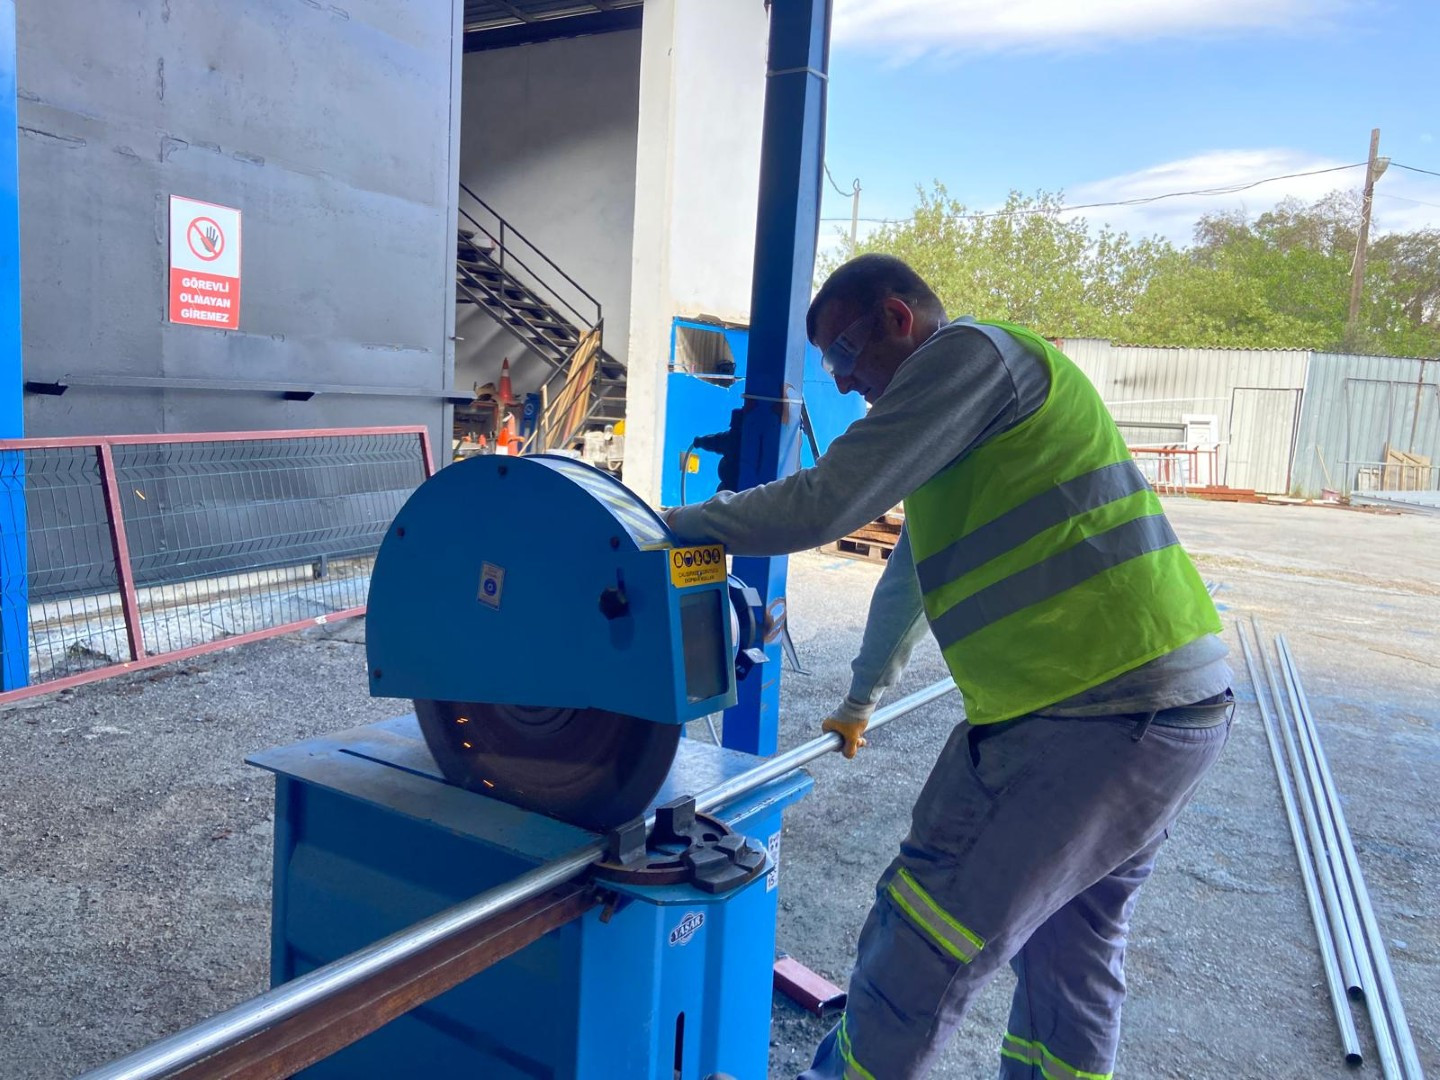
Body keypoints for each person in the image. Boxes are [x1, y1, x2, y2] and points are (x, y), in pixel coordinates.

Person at [663, 254, 1232, 1080]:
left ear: (899, 318)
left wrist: (665, 524)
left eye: (845, 353)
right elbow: (909, 579)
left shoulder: (968, 357)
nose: (843, 380)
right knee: (1069, 955)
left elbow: (824, 503)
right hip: (1169, 712)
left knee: (919, 945)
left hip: (1085, 715)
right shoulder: (964, 424)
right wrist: (861, 696)